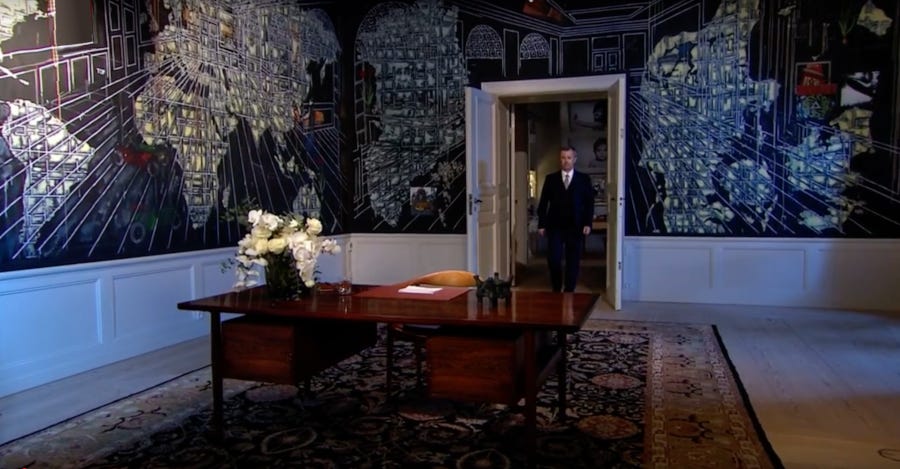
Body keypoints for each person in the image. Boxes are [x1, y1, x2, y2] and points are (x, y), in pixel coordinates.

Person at [536, 146, 595, 292]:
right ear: (560, 159)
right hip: (555, 226)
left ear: (574, 159)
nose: (566, 161)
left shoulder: (583, 179)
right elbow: (543, 203)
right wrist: (541, 224)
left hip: (576, 226)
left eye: (569, 157)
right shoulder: (551, 179)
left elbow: (589, 203)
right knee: (553, 259)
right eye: (563, 158)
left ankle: (569, 290)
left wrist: (588, 223)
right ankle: (556, 288)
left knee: (573, 260)